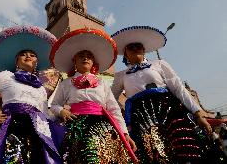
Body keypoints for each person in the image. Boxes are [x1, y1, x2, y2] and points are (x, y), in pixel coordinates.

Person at [111, 26, 214, 163]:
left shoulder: (159, 64)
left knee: (184, 148)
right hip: (141, 119)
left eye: (138, 46)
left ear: (144, 50)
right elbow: (110, 98)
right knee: (151, 154)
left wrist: (198, 113)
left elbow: (178, 88)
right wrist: (124, 110)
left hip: (170, 112)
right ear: (125, 53)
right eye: (131, 47)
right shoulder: (121, 75)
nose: (135, 48)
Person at [0, 26, 64, 164]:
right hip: (10, 130)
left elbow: (45, 115)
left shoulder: (40, 88)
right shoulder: (6, 76)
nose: (28, 56)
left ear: (36, 63)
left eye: (32, 55)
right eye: (23, 54)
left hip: (38, 135)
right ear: (16, 61)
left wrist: (61, 112)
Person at [49, 28, 138, 163]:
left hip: (103, 126)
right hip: (76, 127)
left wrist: (125, 133)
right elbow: (54, 104)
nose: (85, 58)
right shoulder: (65, 83)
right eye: (81, 56)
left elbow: (113, 108)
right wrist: (62, 111)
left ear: (93, 63)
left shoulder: (102, 83)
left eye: (89, 56)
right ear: (74, 61)